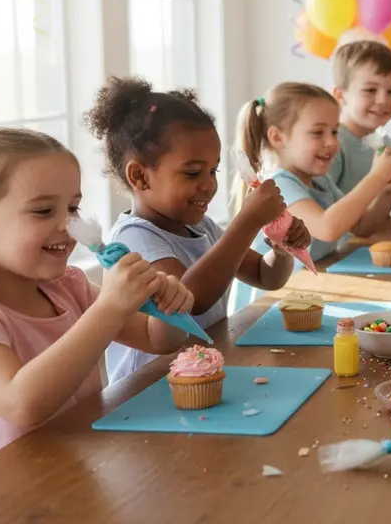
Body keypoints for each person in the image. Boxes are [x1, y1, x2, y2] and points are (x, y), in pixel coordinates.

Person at [0, 128, 194, 481]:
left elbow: (158, 340)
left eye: (73, 207)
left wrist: (166, 303)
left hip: (76, 481)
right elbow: (22, 403)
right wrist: (109, 308)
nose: (67, 225)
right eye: (43, 211)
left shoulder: (68, 286)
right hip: (1, 515)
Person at [84, 77, 307, 384]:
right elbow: (189, 300)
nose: (209, 184)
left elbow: (266, 276)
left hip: (203, 375)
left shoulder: (199, 226)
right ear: (139, 176)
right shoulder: (135, 238)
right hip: (149, 390)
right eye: (192, 172)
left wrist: (280, 249)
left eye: (213, 170)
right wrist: (247, 221)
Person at [232, 82, 391, 308]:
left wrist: (388, 195)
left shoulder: (321, 181)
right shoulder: (277, 185)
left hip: (307, 295)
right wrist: (377, 178)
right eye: (317, 132)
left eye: (335, 131)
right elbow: (327, 228)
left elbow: (361, 226)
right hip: (267, 309)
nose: (332, 142)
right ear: (277, 138)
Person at [327, 41, 391, 211]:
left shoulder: (384, 143)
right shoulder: (331, 146)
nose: (383, 100)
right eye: (370, 90)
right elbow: (326, 218)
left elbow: (367, 223)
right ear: (340, 96)